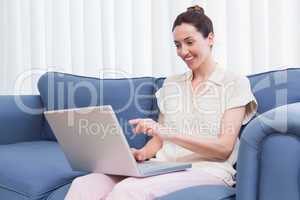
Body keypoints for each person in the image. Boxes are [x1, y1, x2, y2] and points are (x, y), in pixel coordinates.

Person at [65, 5, 257, 200]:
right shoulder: (171, 84)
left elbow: (223, 149)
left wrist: (167, 133)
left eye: (189, 42)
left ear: (210, 38)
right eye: (178, 45)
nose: (183, 51)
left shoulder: (234, 83)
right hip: (162, 166)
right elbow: (159, 140)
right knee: (84, 185)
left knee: (128, 190)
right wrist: (139, 154)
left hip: (207, 169)